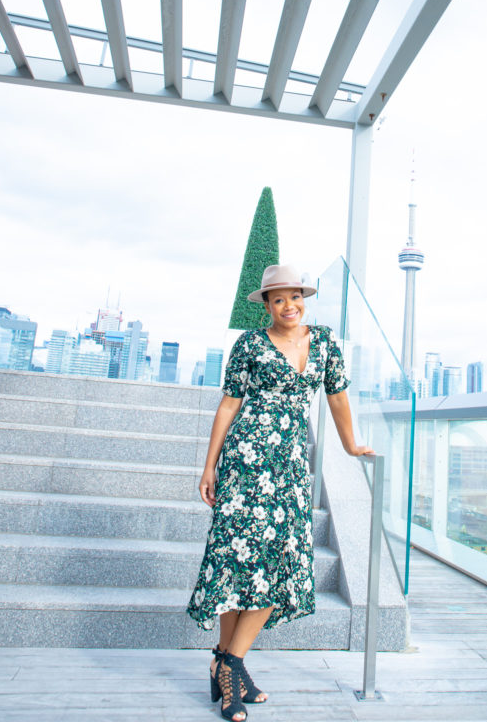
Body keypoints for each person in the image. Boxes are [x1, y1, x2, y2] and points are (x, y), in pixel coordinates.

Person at [186, 264, 374, 721]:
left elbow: (338, 396)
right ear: (266, 305)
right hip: (245, 458)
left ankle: (224, 661)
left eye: (295, 297)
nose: (289, 306)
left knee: (277, 560)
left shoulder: (325, 342)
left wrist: (350, 445)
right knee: (236, 560)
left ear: (303, 301)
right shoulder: (249, 344)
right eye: (278, 299)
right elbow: (230, 402)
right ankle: (232, 669)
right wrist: (209, 466)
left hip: (290, 463)